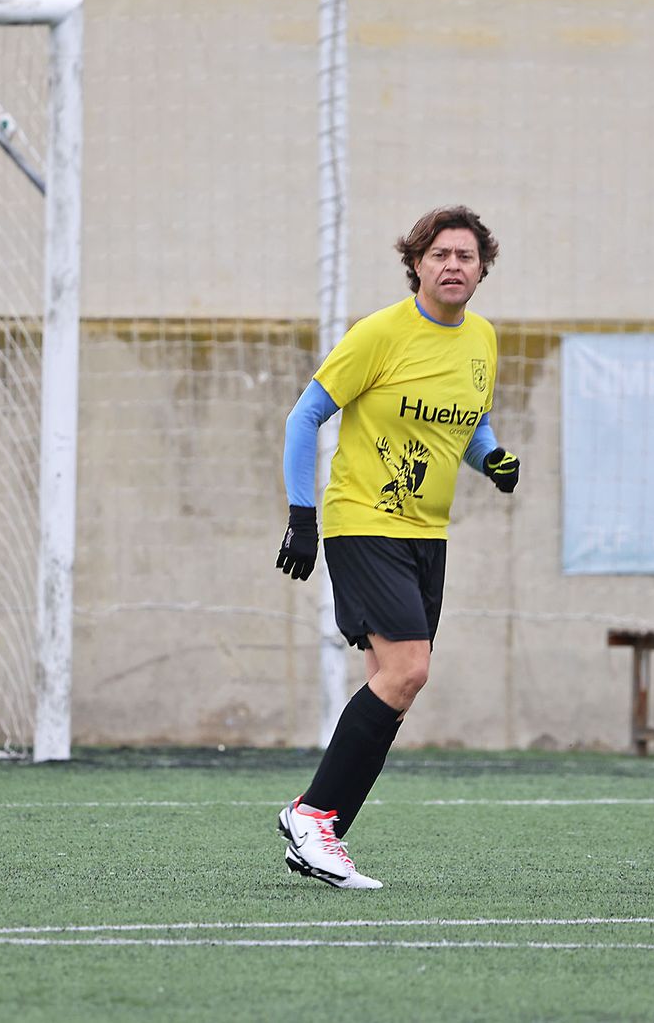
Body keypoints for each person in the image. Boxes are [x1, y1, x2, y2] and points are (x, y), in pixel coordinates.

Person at [273, 204, 520, 889]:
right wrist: (301, 516)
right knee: (410, 670)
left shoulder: (483, 340)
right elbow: (305, 415)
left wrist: (492, 458)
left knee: (396, 688)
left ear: (482, 269)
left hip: (427, 534)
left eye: (465, 256)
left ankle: (316, 823)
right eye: (439, 254)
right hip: (364, 522)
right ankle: (316, 817)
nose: (452, 265)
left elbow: (470, 422)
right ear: (415, 263)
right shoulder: (380, 334)